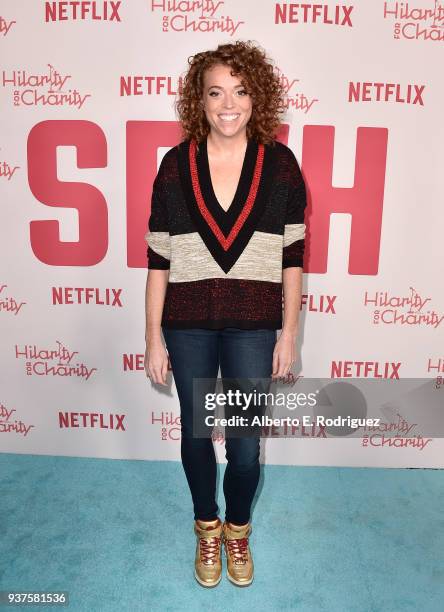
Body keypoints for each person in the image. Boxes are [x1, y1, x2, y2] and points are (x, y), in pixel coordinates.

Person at [144, 40, 307, 588]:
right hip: (186, 323)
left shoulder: (281, 164)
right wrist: (151, 336)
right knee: (195, 436)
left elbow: (293, 258)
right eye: (215, 92)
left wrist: (288, 334)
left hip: (253, 325)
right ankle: (206, 528)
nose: (228, 103)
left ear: (256, 98)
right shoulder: (174, 165)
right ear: (200, 100)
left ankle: (237, 530)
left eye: (239, 91)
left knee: (242, 448)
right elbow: (157, 258)